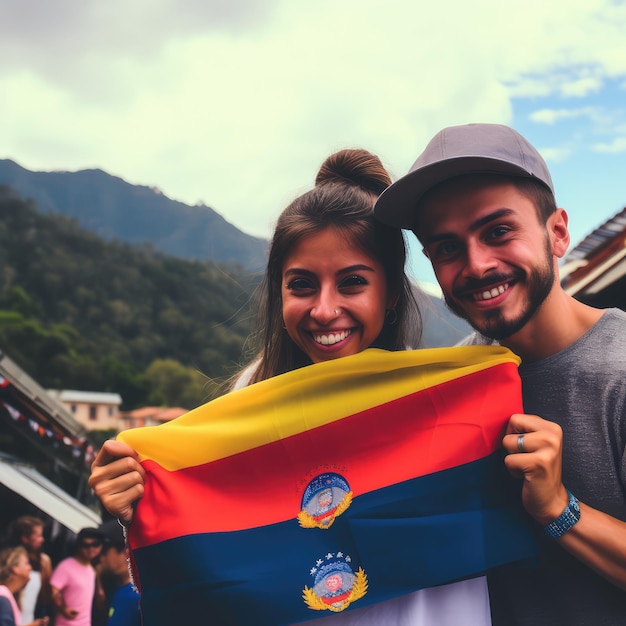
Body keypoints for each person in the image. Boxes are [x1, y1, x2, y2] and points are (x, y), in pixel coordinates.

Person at [89, 148, 495, 625]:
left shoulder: (441, 406)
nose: (324, 309)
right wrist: (136, 506)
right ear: (278, 290)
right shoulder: (244, 404)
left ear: (389, 293)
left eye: (352, 283)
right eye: (301, 285)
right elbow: (205, 578)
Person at [373, 122, 626, 624]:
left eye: (498, 231)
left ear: (557, 232)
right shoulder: (456, 382)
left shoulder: (618, 374)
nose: (476, 264)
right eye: (446, 248)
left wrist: (558, 509)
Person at [50, 528, 105, 626]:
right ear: (79, 546)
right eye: (86, 545)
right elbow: (53, 591)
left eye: (95, 544)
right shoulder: (66, 566)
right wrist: (64, 609)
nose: (91, 549)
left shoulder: (93, 570)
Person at [7, 517, 51, 623]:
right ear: (25, 538)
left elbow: (44, 597)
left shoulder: (43, 562)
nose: (42, 539)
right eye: (38, 536)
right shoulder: (7, 560)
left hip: (29, 620)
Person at [96, 522, 139, 626]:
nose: (100, 557)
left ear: (125, 552)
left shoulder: (134, 596)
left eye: (104, 550)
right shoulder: (119, 590)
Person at [0, 546, 49, 626]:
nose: (30, 568)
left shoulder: (7, 595)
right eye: (26, 563)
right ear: (15, 568)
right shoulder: (3, 597)